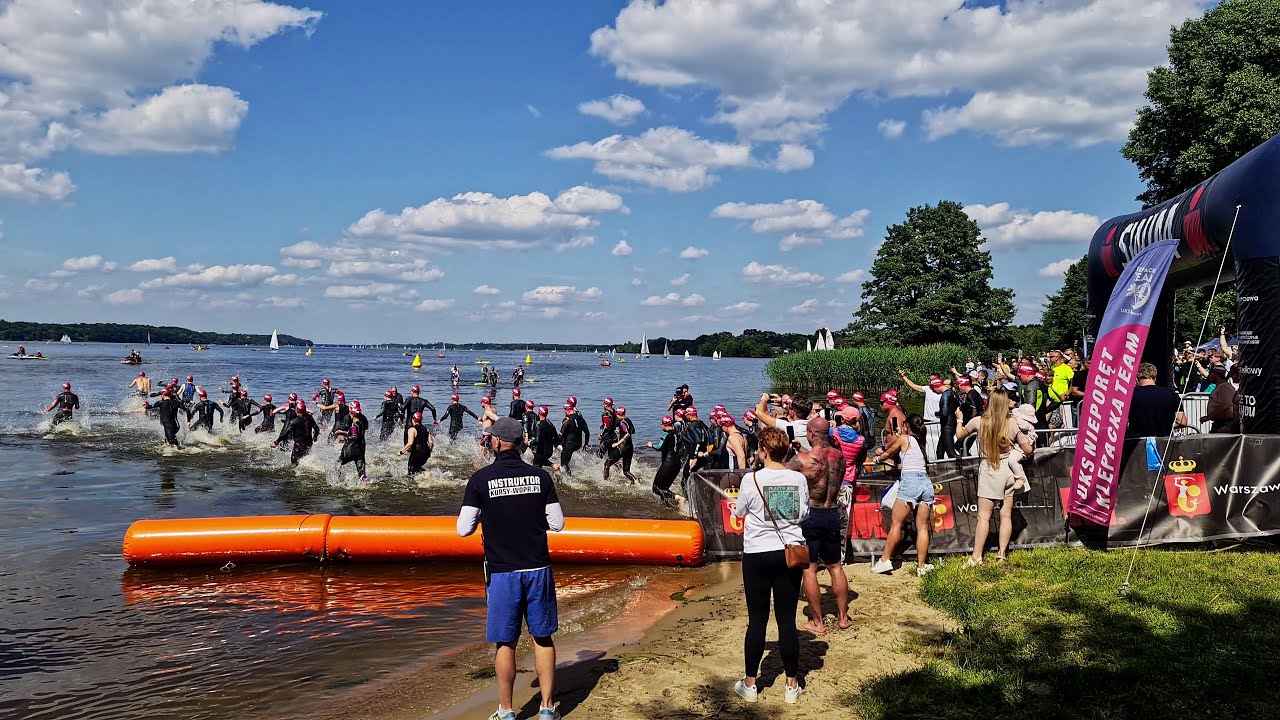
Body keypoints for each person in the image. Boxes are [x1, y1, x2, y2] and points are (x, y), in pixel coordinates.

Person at [456, 417, 565, 720]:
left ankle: (506, 710)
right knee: (542, 638)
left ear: (497, 443)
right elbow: (557, 523)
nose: (488, 440)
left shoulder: (481, 479)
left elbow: (463, 529)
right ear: (518, 444)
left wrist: (488, 516)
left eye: (490, 437)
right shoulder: (540, 477)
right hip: (537, 567)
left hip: (503, 571)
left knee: (506, 641)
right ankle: (546, 708)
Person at [732, 426, 808, 705]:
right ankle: (791, 685)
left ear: (763, 451)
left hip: (757, 554)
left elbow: (740, 511)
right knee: (787, 620)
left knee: (757, 620)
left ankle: (751, 683)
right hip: (789, 552)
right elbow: (803, 513)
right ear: (786, 450)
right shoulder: (798, 478)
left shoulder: (751, 480)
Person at [784, 417, 852, 633]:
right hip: (832, 512)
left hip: (811, 514)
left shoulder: (802, 460)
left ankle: (818, 622)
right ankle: (843, 618)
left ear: (811, 433)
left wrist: (792, 452)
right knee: (835, 567)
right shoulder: (840, 457)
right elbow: (824, 464)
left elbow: (780, 473)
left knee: (810, 569)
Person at [954, 389, 1035, 565]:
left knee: (983, 516)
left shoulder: (978, 421)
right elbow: (1028, 450)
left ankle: (976, 557)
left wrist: (959, 419)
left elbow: (960, 435)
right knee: (1006, 514)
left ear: (988, 403)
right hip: (1010, 470)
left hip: (990, 469)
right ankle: (1001, 554)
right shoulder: (1013, 424)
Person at [869, 414, 936, 576]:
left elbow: (888, 453)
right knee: (922, 528)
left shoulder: (904, 439)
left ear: (907, 426)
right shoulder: (920, 441)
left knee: (896, 524)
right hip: (926, 484)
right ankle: (921, 566)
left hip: (910, 483)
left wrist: (878, 459)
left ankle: (885, 560)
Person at [1128, 362, 1187, 438]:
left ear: (1136, 379)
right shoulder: (1171, 394)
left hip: (1137, 443)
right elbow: (1182, 422)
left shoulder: (1130, 396)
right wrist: (1167, 425)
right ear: (1155, 378)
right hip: (1165, 442)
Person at [648, 415, 683, 505]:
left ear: (664, 425)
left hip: (669, 462)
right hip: (677, 463)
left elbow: (659, 447)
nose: (661, 425)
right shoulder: (677, 433)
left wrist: (651, 445)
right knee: (664, 488)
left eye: (661, 424)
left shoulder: (666, 434)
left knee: (656, 488)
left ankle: (679, 498)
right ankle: (667, 507)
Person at [273, 400, 320, 465]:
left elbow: (285, 435)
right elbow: (317, 429)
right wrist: (315, 437)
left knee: (294, 463)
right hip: (309, 444)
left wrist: (276, 442)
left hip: (298, 446)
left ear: (297, 410)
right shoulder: (310, 417)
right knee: (305, 459)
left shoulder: (294, 421)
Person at [602, 406, 638, 484]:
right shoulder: (628, 420)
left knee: (607, 464)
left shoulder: (622, 423)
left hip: (623, 447)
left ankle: (606, 483)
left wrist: (617, 444)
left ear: (618, 414)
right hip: (630, 448)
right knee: (626, 471)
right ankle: (636, 482)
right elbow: (632, 431)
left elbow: (627, 434)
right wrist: (620, 431)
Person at [1204, 364, 1241, 433]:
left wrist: (1209, 417)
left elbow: (1226, 404)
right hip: (1221, 422)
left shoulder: (1224, 387)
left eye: (1211, 374)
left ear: (1216, 375)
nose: (1209, 376)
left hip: (1224, 423)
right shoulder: (1222, 386)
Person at [557, 403, 590, 474]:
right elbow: (587, 432)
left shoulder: (567, 421)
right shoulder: (581, 418)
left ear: (567, 410)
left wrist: (555, 445)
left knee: (564, 464)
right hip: (578, 444)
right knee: (567, 458)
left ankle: (569, 478)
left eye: (564, 410)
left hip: (569, 444)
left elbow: (561, 435)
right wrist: (586, 444)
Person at [400, 411, 435, 475]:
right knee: (416, 468)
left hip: (417, 453)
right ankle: (427, 474)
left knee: (411, 471)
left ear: (413, 419)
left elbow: (410, 443)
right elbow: (431, 442)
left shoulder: (412, 429)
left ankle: (427, 473)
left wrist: (402, 452)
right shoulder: (425, 429)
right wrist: (429, 451)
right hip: (426, 454)